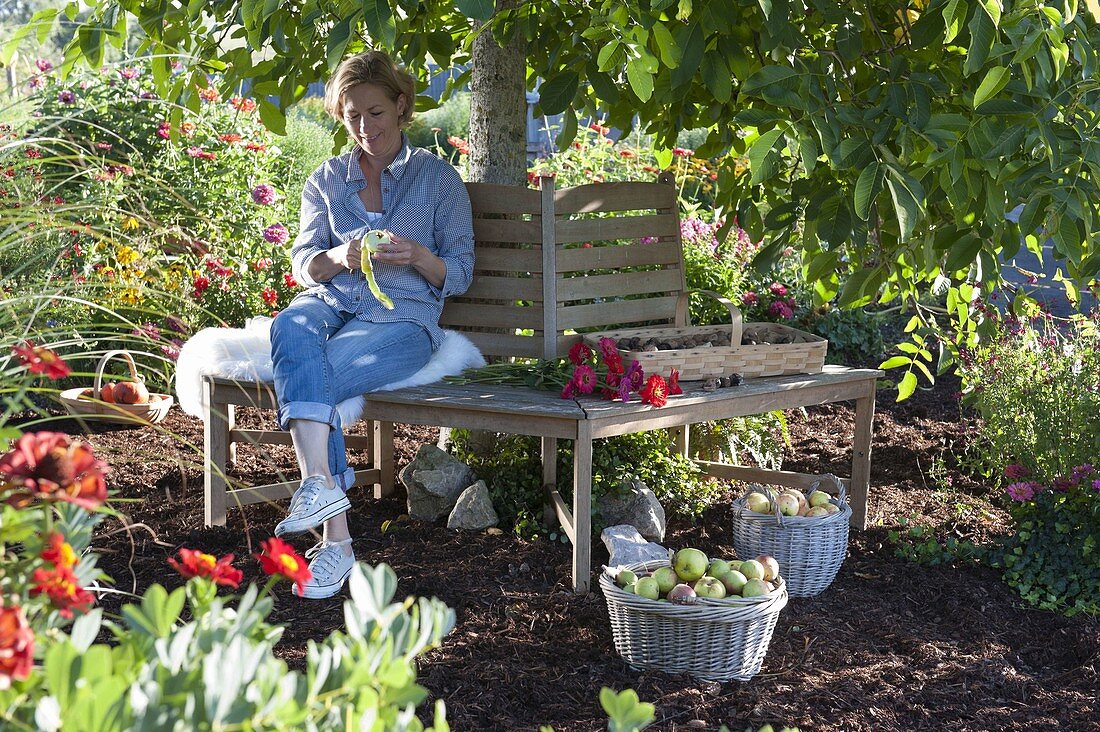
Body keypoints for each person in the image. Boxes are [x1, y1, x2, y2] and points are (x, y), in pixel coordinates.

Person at [269, 50, 475, 599]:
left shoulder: (437, 179)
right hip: (332, 301)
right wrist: (342, 255)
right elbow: (304, 264)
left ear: (401, 106)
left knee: (322, 375)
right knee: (290, 326)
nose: (365, 127)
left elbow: (458, 273)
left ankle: (335, 542)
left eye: (376, 112)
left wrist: (414, 257)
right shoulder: (327, 178)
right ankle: (322, 496)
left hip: (403, 319)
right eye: (353, 115)